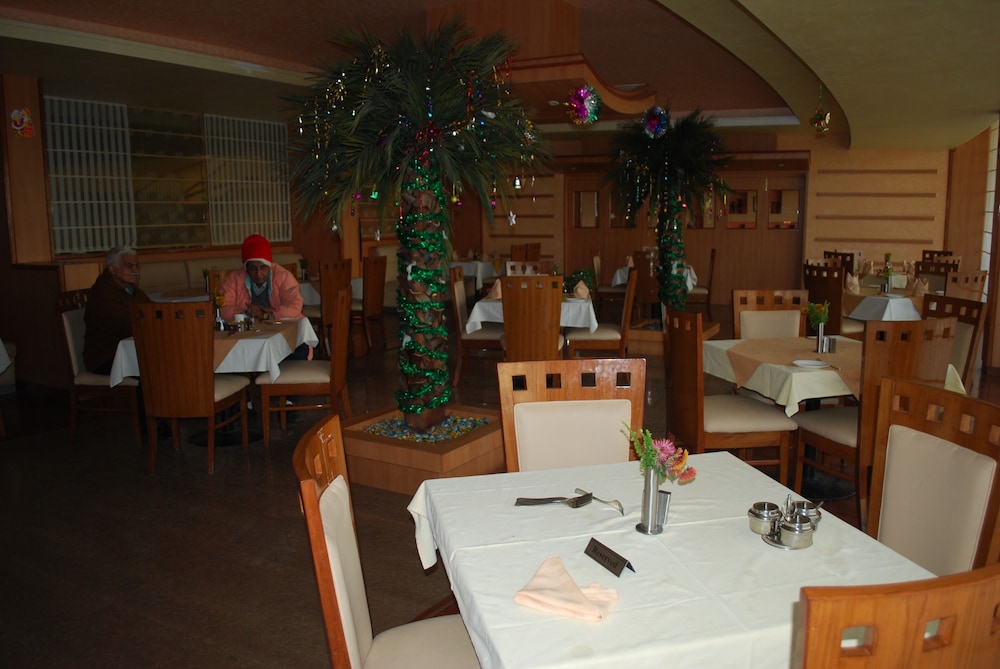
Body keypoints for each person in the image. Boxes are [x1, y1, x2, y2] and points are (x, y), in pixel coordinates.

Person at [221, 234, 309, 359]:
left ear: (270, 266)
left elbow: (295, 306)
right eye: (253, 268)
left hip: (284, 335)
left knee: (299, 350)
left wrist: (267, 314)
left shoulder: (283, 277)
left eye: (263, 267)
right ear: (246, 269)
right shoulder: (233, 280)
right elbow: (223, 308)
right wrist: (247, 312)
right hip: (250, 339)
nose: (258, 273)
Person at [83, 245, 150, 375]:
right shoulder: (103, 293)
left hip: (130, 353)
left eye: (137, 266)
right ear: (113, 269)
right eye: (129, 266)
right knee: (155, 368)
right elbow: (125, 327)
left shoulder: (130, 288)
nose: (135, 270)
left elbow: (150, 308)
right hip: (106, 357)